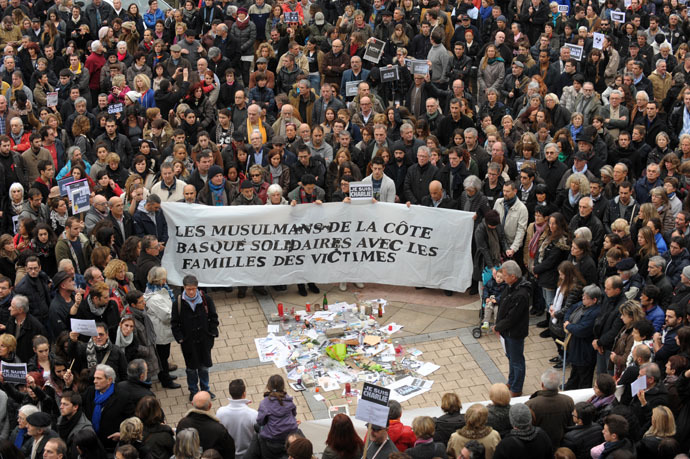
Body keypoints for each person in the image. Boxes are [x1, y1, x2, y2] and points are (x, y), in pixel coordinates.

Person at [171, 274, 219, 400]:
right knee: (191, 369)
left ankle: (205, 390)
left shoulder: (205, 300)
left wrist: (212, 333)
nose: (191, 292)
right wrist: (181, 338)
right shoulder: (178, 303)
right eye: (188, 289)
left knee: (204, 367)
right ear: (184, 288)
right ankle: (193, 391)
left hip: (204, 340)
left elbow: (213, 317)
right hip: (188, 342)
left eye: (193, 289)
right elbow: (174, 323)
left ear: (197, 288)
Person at [493, 260, 530, 397]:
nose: (502, 277)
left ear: (513, 276)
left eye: (505, 274)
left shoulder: (521, 294)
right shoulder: (510, 286)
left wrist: (498, 326)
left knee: (517, 360)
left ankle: (516, 388)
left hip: (515, 332)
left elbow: (512, 317)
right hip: (507, 331)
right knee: (511, 358)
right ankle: (511, 381)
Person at [81, 364, 127, 453]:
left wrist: (123, 434)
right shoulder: (90, 392)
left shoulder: (122, 396)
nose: (94, 381)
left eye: (99, 378)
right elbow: (77, 403)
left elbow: (132, 418)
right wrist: (68, 385)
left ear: (109, 380)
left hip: (113, 447)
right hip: (95, 445)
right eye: (94, 378)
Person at [176, 391, 236, 458]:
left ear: (192, 404)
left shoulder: (183, 423)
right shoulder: (219, 429)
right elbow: (229, 451)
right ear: (210, 406)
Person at [525, 369, 575, 446]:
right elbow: (571, 424)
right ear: (558, 385)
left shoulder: (530, 404)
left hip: (539, 444)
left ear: (542, 384)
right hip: (562, 443)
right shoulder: (568, 401)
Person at [256, 374, 298, 457]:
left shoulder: (265, 403)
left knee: (258, 430)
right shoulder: (289, 400)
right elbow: (294, 414)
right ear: (283, 386)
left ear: (268, 387)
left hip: (272, 439)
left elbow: (260, 421)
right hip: (290, 436)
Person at [216, 379, 257, 459]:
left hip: (228, 454)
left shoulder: (220, 412)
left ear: (230, 393)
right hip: (248, 454)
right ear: (244, 394)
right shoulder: (253, 414)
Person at [56, 391, 95, 459]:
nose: (61, 407)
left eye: (65, 404)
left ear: (75, 407)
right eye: (61, 403)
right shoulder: (61, 420)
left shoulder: (85, 429)